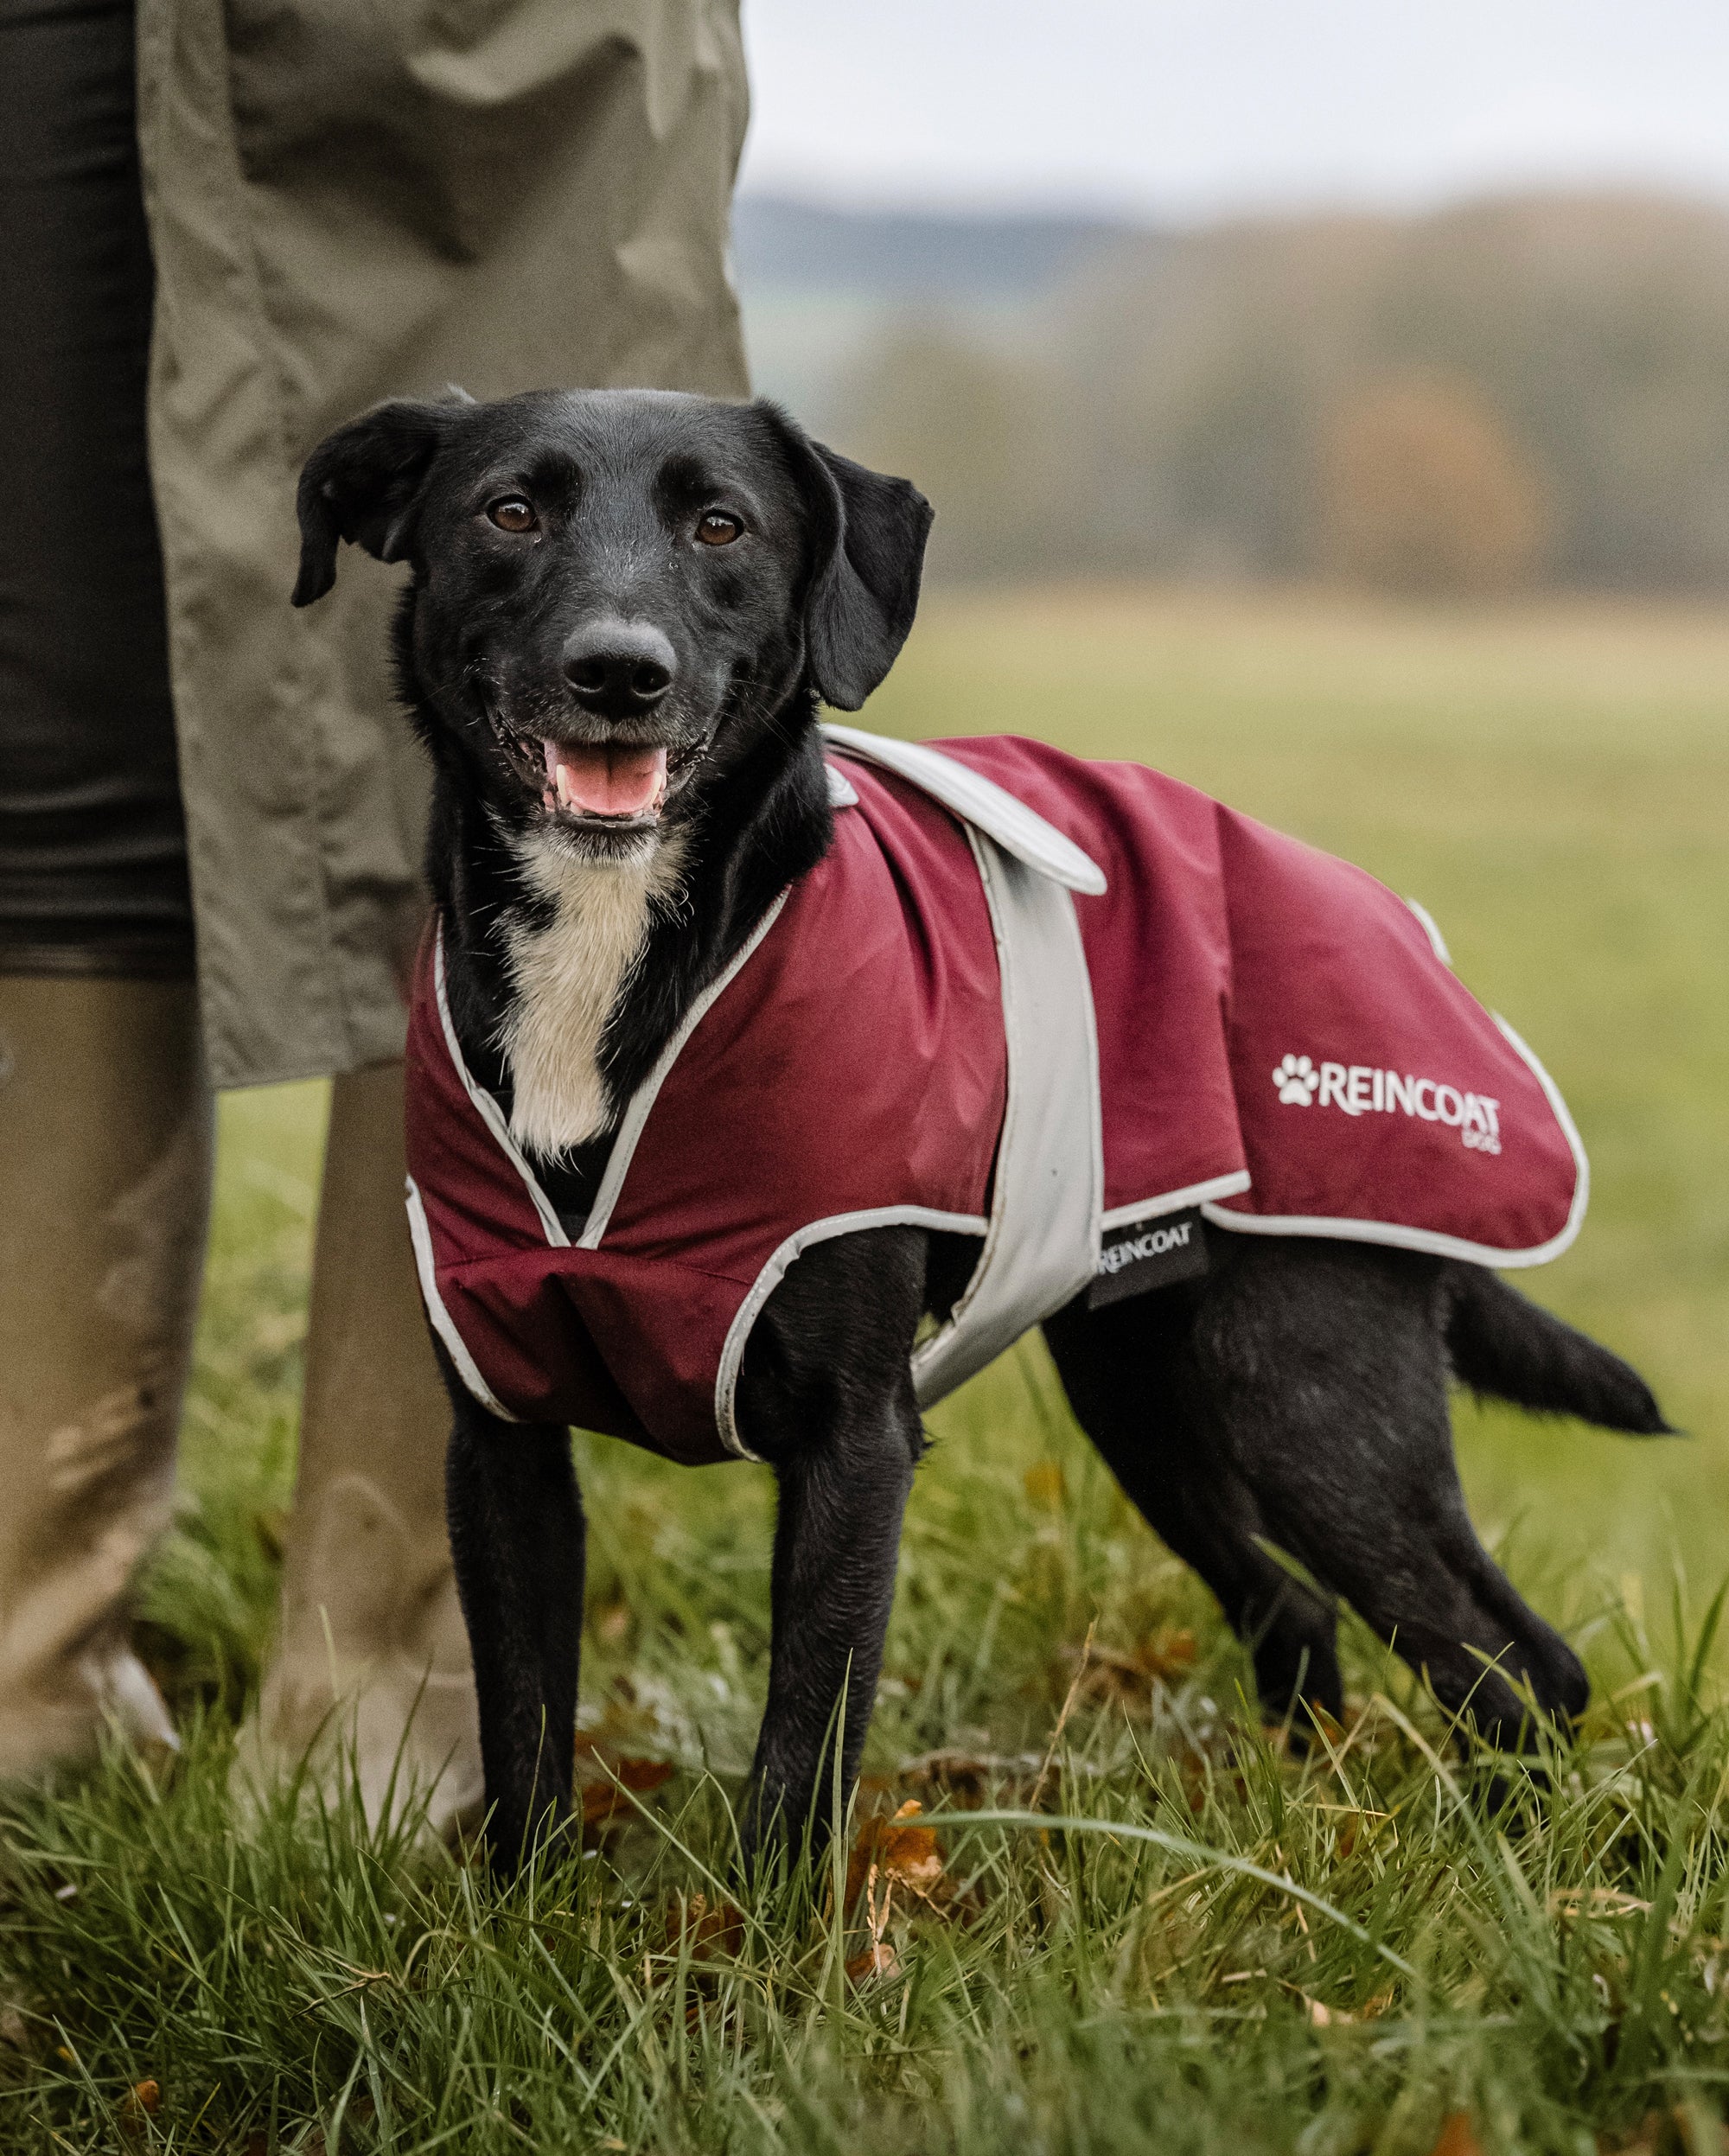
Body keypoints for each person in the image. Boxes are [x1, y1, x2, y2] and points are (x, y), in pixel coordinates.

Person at [0, 0, 750, 1829]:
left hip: (493, 44)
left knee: (527, 745)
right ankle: (29, 1682)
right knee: (45, 734)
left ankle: (388, 1718)